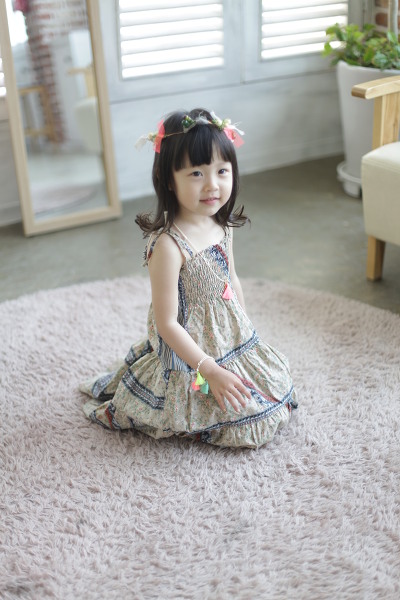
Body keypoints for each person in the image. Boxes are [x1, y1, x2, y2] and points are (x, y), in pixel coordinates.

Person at [80, 108, 298, 448]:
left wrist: (246, 334)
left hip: (227, 335)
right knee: (237, 421)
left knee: (274, 392)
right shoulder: (168, 245)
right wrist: (208, 369)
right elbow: (167, 324)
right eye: (196, 173)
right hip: (188, 349)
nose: (212, 185)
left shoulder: (221, 224)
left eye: (222, 171)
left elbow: (232, 279)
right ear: (169, 179)